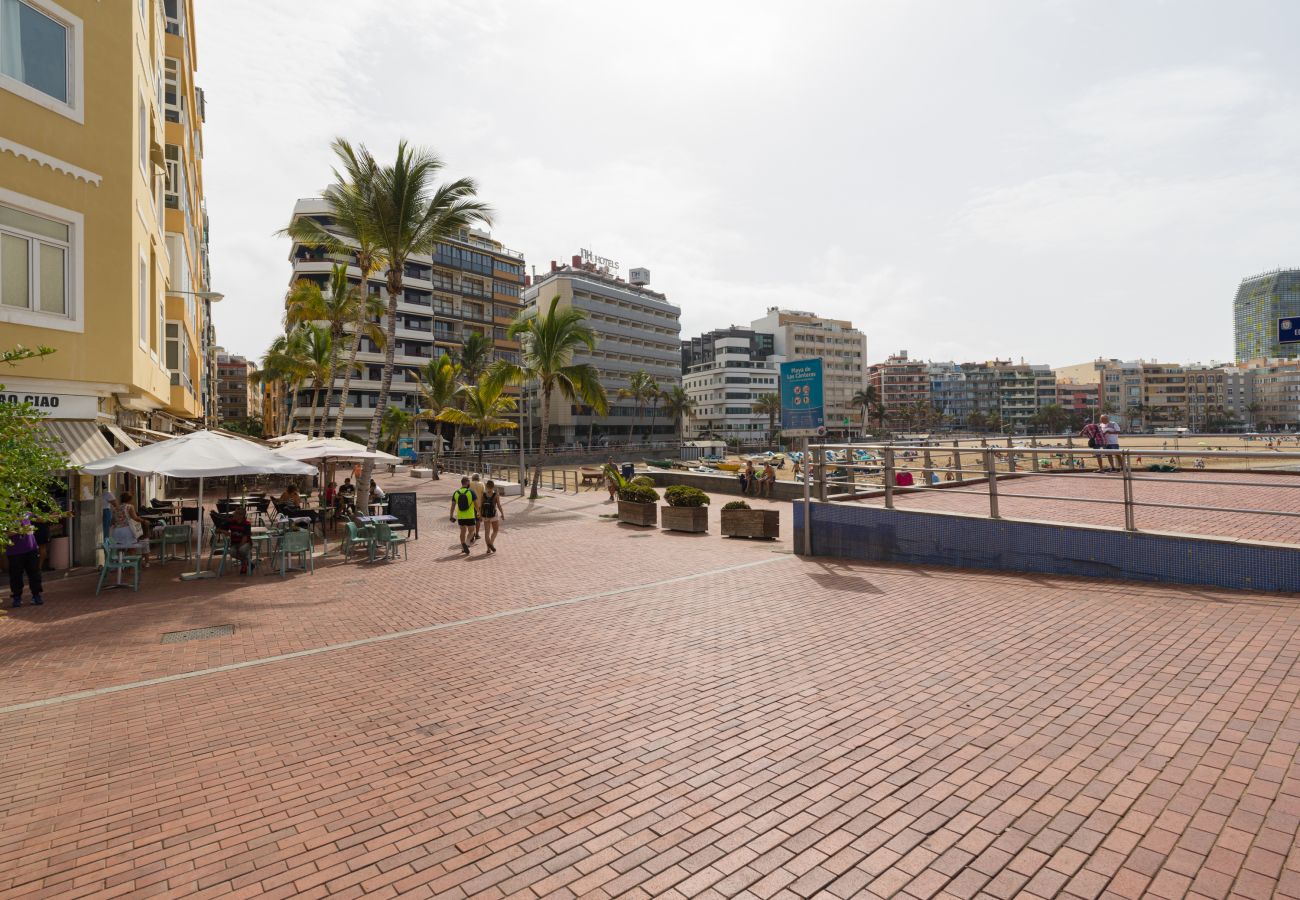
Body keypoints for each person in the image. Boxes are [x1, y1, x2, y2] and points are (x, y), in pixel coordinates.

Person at [6, 513, 42, 607]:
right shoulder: (7, 515)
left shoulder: (27, 513)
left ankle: (36, 595)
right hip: (15, 551)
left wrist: (58, 515)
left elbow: (40, 519)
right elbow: (4, 533)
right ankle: (17, 597)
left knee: (34, 572)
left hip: (31, 548)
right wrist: (21, 530)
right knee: (16, 575)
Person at [109, 492, 149, 565]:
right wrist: (144, 521)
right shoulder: (129, 506)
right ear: (129, 499)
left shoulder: (115, 508)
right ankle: (132, 565)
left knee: (120, 549)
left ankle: (121, 565)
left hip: (116, 531)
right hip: (126, 530)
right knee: (131, 548)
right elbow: (135, 518)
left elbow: (112, 521)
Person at [449, 476, 479, 555]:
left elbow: (453, 506)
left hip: (461, 516)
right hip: (470, 516)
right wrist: (479, 512)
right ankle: (466, 543)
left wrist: (451, 515)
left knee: (463, 531)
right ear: (467, 483)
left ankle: (463, 544)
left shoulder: (456, 493)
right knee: (472, 531)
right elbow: (476, 504)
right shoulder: (471, 492)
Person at [227, 507, 254, 575]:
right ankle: (247, 562)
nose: (234, 514)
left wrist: (238, 547)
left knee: (241, 550)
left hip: (246, 543)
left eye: (236, 513)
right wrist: (222, 530)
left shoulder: (247, 524)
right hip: (234, 543)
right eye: (235, 513)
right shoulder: (231, 522)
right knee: (232, 552)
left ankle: (244, 565)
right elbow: (220, 529)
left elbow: (245, 538)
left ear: (241, 516)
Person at [480, 479, 504, 554]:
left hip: (485, 515)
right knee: (495, 530)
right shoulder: (496, 495)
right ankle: (491, 543)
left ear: (486, 486)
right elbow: (499, 505)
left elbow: (481, 506)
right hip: (494, 514)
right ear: (493, 486)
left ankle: (488, 547)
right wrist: (502, 513)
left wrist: (480, 515)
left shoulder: (483, 494)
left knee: (487, 532)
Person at [469, 474, 484, 542]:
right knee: (478, 520)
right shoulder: (481, 484)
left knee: (471, 521)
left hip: (471, 505)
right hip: (479, 505)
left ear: (472, 478)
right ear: (478, 478)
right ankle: (477, 534)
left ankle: (472, 534)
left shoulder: (469, 484)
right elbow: (484, 495)